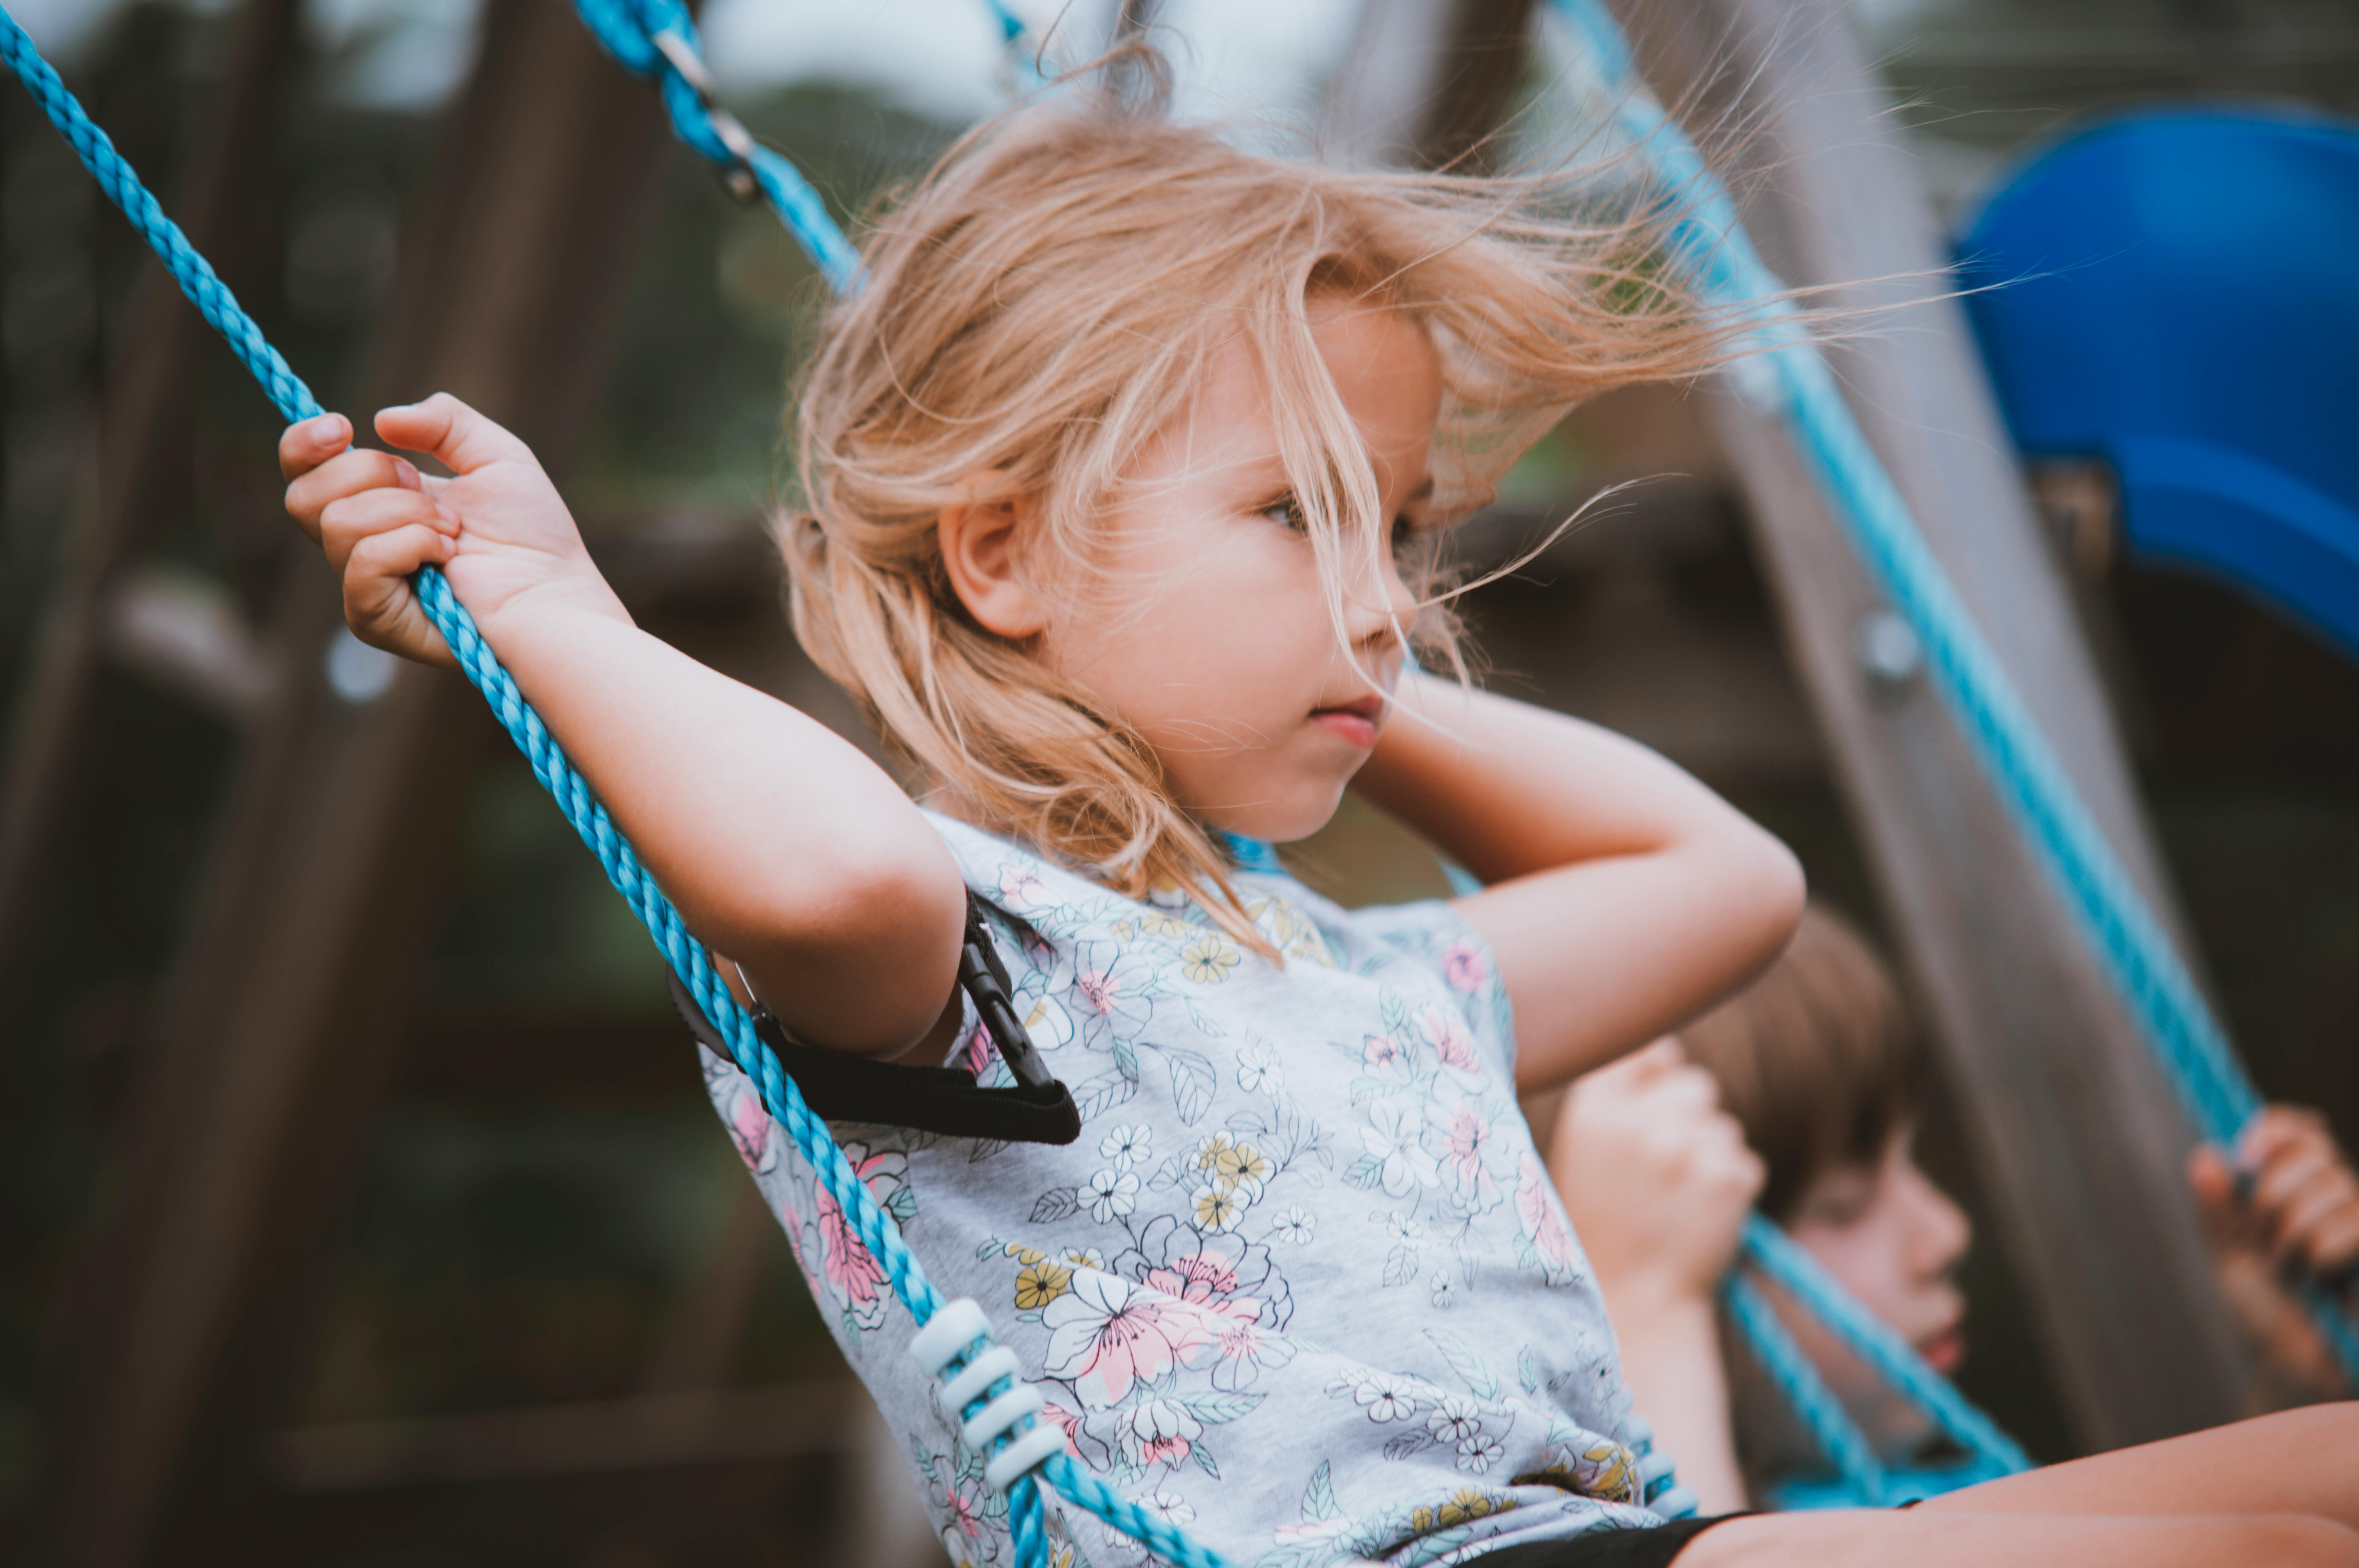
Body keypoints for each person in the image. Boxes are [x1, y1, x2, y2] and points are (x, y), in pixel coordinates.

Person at [277, 52, 2359, 1568]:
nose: (1382, 594)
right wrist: (554, 613)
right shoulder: (971, 981)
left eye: (1402, 529)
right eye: (1291, 513)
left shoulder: (1365, 995)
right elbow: (826, 864)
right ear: (998, 556)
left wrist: (1348, 648)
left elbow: (1727, 881)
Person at [1553, 902, 2359, 1517]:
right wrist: (1648, 1313)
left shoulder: (1935, 1494)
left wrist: (2295, 1385)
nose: (1945, 1235)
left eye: (1911, 1163)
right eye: (1841, 1207)